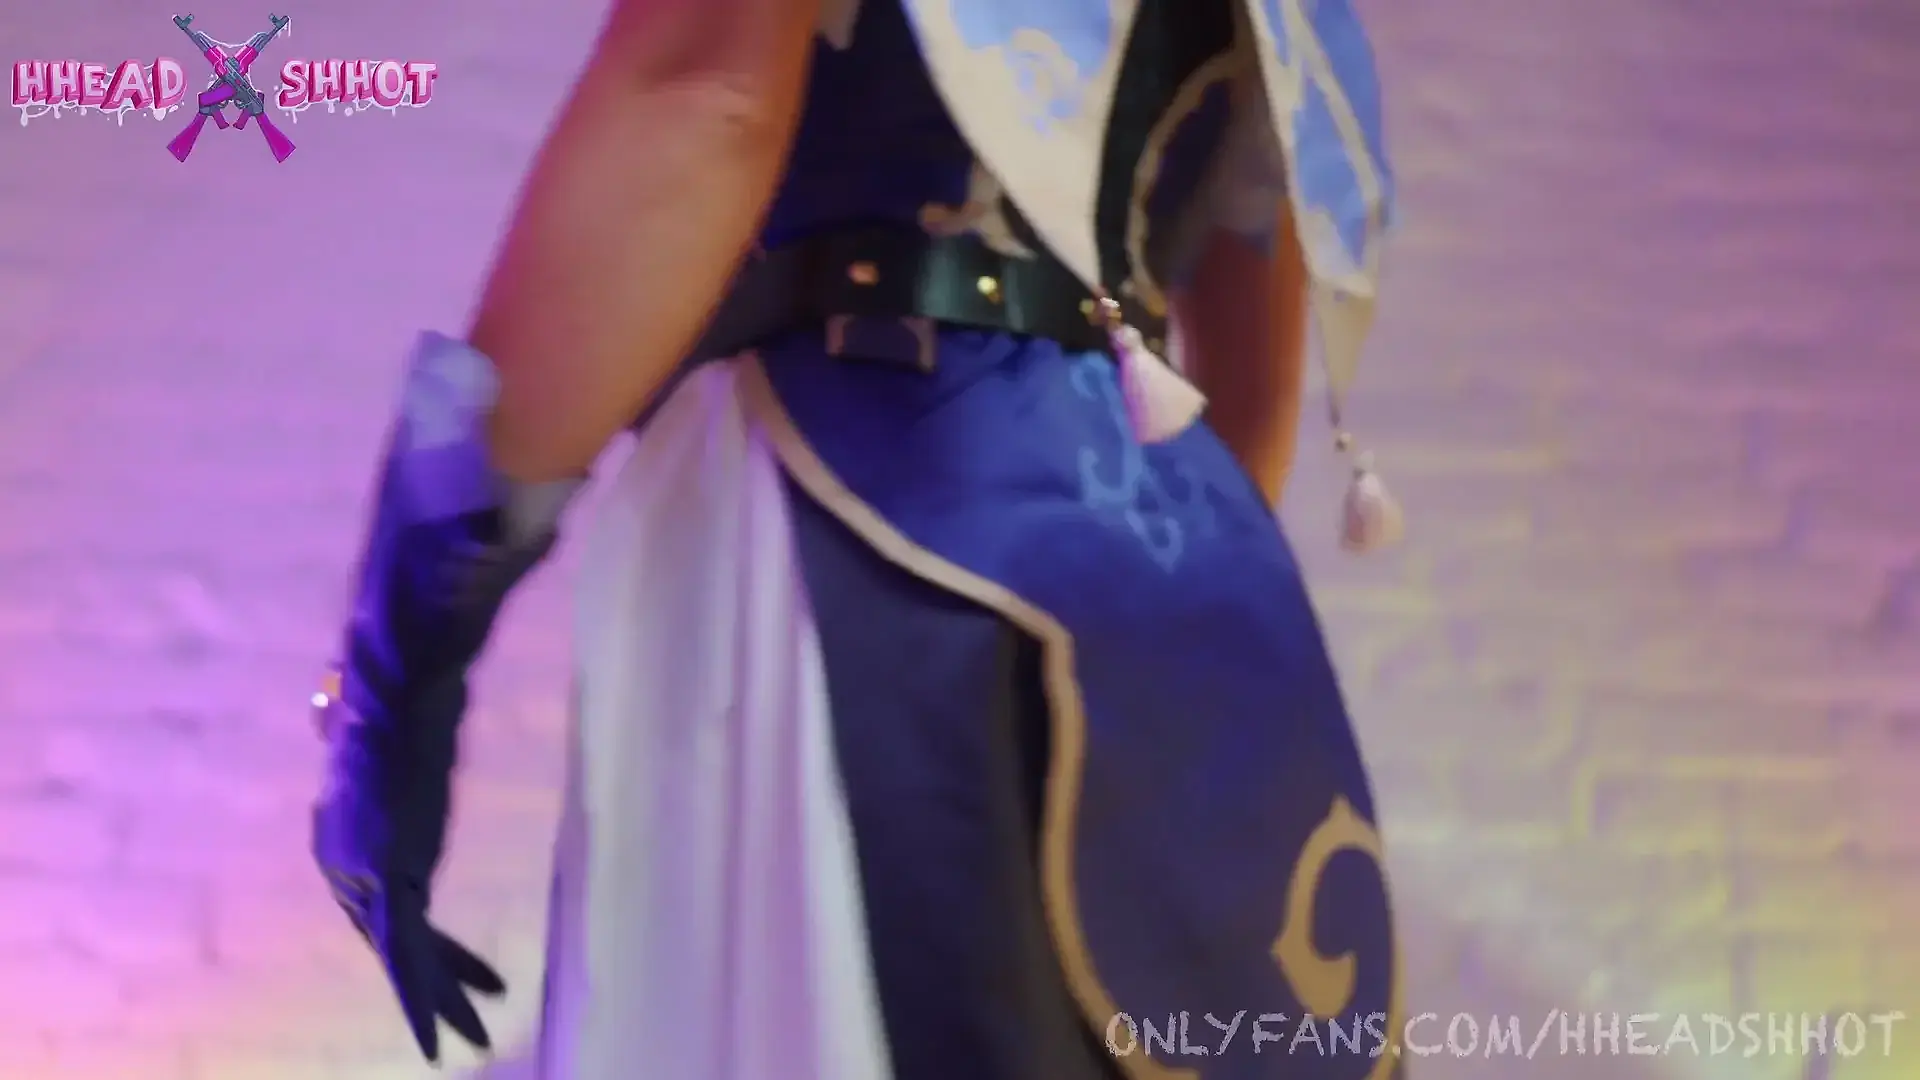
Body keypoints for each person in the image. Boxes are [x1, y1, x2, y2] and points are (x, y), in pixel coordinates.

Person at [308, 0, 1403, 1076]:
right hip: (1202, 585)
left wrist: (397, 676)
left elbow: (706, 95)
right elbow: (1248, 357)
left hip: (869, 503)